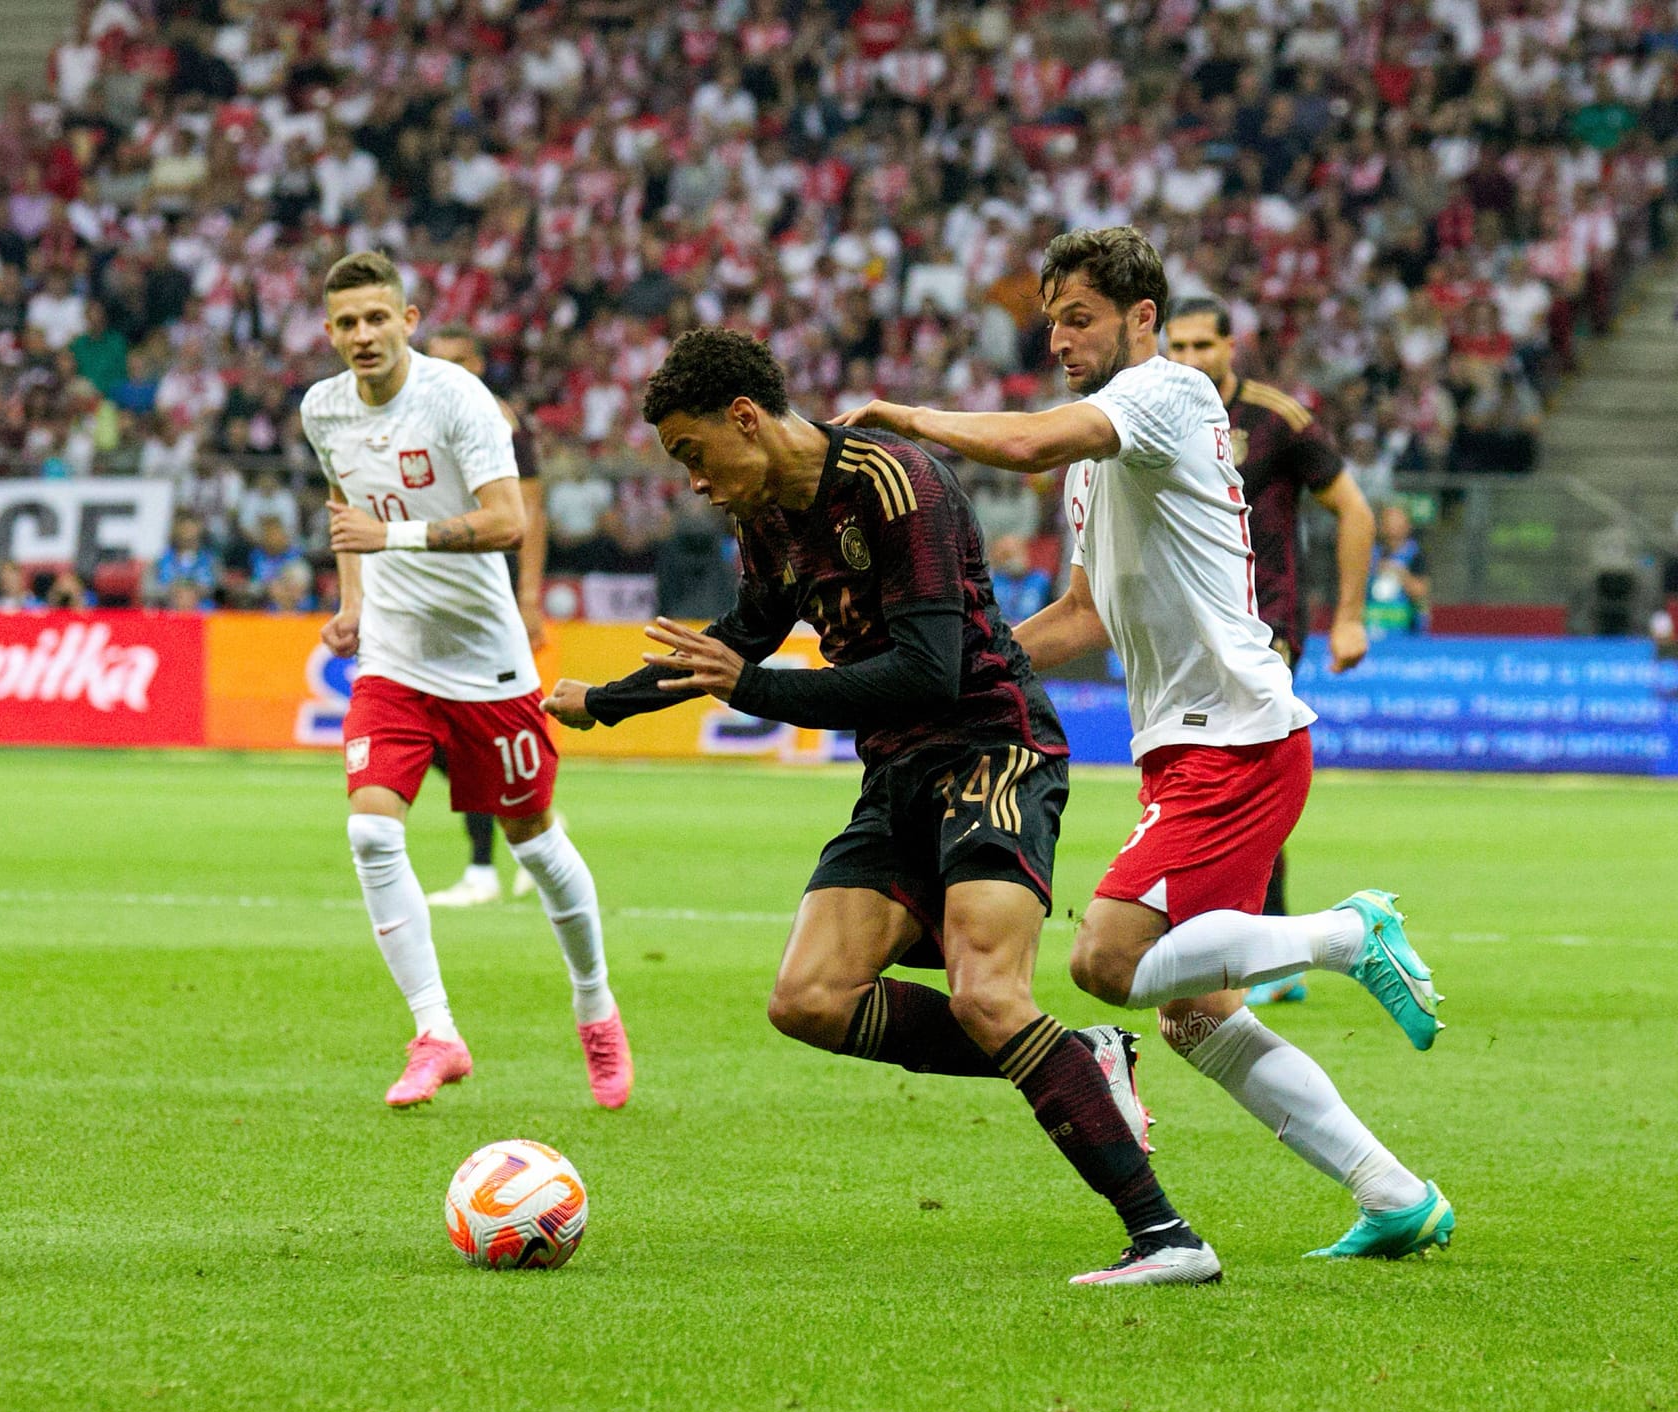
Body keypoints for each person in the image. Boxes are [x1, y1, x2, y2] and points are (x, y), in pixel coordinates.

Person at [546, 327, 1220, 1287]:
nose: (692, 480)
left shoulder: (896, 483)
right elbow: (739, 638)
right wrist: (606, 703)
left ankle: (1166, 1236)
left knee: (989, 993)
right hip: (896, 774)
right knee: (809, 999)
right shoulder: (766, 514)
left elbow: (925, 670)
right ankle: (1080, 1058)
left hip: (992, 749)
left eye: (693, 453)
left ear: (745, 418)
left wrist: (757, 689)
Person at [835, 227, 1453, 1260]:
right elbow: (1085, 610)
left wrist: (903, 417)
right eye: (1052, 323)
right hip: (1184, 746)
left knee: (1108, 959)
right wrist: (969, 674)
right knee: (1199, 1014)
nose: (1063, 339)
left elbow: (1028, 440)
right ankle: (1393, 1194)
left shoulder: (1167, 393)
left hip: (1240, 735)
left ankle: (1348, 934)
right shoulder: (1098, 459)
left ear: (1143, 319)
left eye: (1080, 319)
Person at [300, 250, 631, 1110]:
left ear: (408, 320)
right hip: (396, 660)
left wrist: (392, 544)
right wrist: (352, 602)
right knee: (371, 836)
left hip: (487, 664)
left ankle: (595, 1006)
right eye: (347, 323)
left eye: (378, 317)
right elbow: (349, 515)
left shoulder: (458, 398)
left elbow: (507, 518)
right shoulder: (322, 410)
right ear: (329, 332)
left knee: (535, 843)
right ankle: (435, 1031)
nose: (363, 335)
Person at [1165, 296, 1378, 1002]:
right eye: (1180, 347)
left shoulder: (1277, 421)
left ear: (1232, 347)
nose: (1191, 360)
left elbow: (1354, 508)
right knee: (1210, 770)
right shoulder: (1156, 415)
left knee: (1245, 766)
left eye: (1203, 346)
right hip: (1188, 626)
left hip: (1268, 624)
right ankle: (1256, 941)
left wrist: (1348, 617)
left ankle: (1271, 947)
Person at [420, 323, 551, 909]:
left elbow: (532, 511)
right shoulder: (417, 416)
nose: (444, 370)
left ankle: (487, 864)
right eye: (435, 360)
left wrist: (528, 597)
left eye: (455, 360)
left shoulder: (501, 420)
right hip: (432, 589)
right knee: (436, 733)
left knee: (475, 725)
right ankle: (530, 821)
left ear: (476, 362)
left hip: (487, 590)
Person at [1367, 504, 1429, 636]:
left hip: (1405, 632)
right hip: (1373, 630)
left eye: (1397, 521)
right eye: (1388, 521)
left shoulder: (1415, 555)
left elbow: (1420, 591)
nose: (1392, 526)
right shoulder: (1371, 555)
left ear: (1408, 526)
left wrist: (1399, 573)